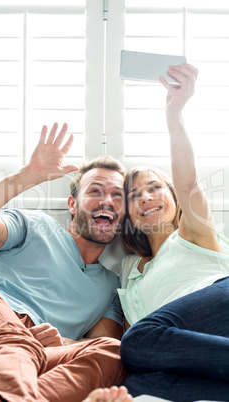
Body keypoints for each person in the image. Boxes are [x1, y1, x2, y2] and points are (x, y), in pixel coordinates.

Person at [0, 122, 128, 401]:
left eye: (117, 196)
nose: (107, 201)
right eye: (95, 191)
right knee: (14, 343)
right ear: (72, 205)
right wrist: (28, 176)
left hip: (28, 355)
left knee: (116, 353)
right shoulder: (34, 225)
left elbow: (97, 343)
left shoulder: (111, 287)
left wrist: (62, 342)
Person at [116, 63, 229, 402]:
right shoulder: (127, 273)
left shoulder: (192, 232)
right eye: (134, 196)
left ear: (175, 199)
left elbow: (188, 180)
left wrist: (174, 116)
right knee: (138, 387)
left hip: (220, 304)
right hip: (193, 347)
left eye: (154, 188)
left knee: (137, 340)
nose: (146, 197)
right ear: (129, 216)